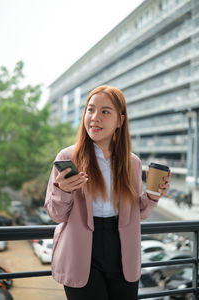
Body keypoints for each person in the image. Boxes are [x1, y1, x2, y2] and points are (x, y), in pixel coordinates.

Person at [44, 85, 171, 300]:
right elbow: (56, 215)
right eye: (90, 109)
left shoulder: (132, 163)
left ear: (120, 121)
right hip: (79, 250)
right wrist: (62, 191)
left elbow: (137, 213)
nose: (94, 117)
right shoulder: (68, 156)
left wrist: (152, 196)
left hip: (123, 250)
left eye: (105, 111)